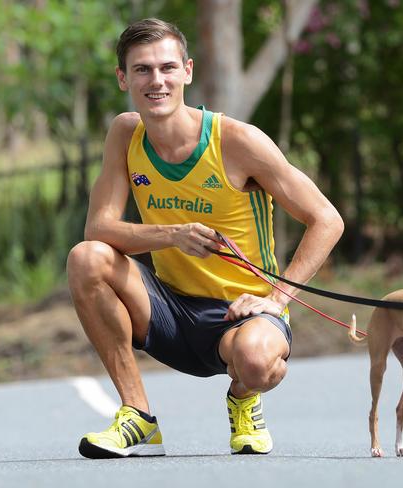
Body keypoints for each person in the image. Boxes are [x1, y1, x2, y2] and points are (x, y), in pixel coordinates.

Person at [67, 18, 343, 459]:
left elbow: (327, 220)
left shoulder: (237, 141)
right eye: (142, 70)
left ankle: (243, 398)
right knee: (87, 258)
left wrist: (277, 298)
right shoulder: (125, 133)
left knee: (255, 359)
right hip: (168, 311)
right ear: (123, 78)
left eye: (167, 68)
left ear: (188, 71)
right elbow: (98, 229)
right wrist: (172, 235)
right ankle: (137, 415)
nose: (156, 80)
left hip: (241, 315)